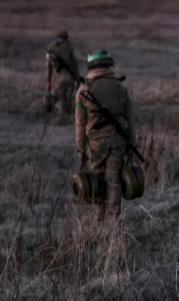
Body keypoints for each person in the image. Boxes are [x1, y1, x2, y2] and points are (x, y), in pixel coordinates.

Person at [75, 49, 134, 220]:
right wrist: (132, 142)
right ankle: (113, 220)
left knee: (97, 177)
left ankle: (98, 217)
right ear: (109, 64)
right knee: (114, 178)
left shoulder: (83, 90)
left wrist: (80, 149)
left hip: (96, 141)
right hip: (119, 139)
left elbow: (80, 123)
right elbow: (129, 118)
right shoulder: (121, 88)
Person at [46, 30, 80, 124]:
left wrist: (48, 81)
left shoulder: (51, 48)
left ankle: (60, 117)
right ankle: (67, 117)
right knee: (68, 98)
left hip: (58, 79)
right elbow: (74, 64)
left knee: (60, 98)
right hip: (70, 78)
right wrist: (77, 79)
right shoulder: (69, 47)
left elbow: (48, 66)